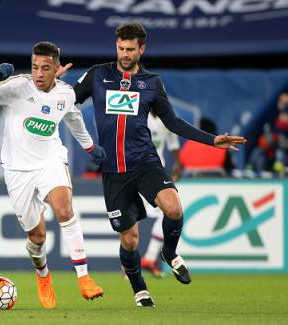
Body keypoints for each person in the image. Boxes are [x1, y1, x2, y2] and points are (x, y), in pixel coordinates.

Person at [58, 22, 246, 307]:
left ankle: (168, 253)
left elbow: (172, 122)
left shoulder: (151, 83)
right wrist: (54, 85)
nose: (124, 54)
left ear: (141, 49)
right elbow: (67, 100)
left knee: (173, 207)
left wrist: (212, 140)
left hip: (145, 161)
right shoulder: (98, 75)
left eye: (130, 49)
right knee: (130, 239)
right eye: (121, 48)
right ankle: (140, 289)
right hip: (113, 169)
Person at [0, 41, 105, 309]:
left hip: (50, 161)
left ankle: (84, 278)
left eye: (45, 68)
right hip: (17, 169)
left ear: (56, 69)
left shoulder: (65, 93)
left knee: (64, 210)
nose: (38, 73)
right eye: (34, 67)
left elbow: (73, 118)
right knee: (37, 237)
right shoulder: (17, 86)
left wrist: (89, 145)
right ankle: (43, 276)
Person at [141, 112, 181, 277]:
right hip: (136, 171)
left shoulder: (167, 118)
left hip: (157, 173)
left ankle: (149, 259)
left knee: (168, 213)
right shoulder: (140, 114)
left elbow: (173, 143)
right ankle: (131, 263)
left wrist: (178, 163)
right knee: (129, 216)